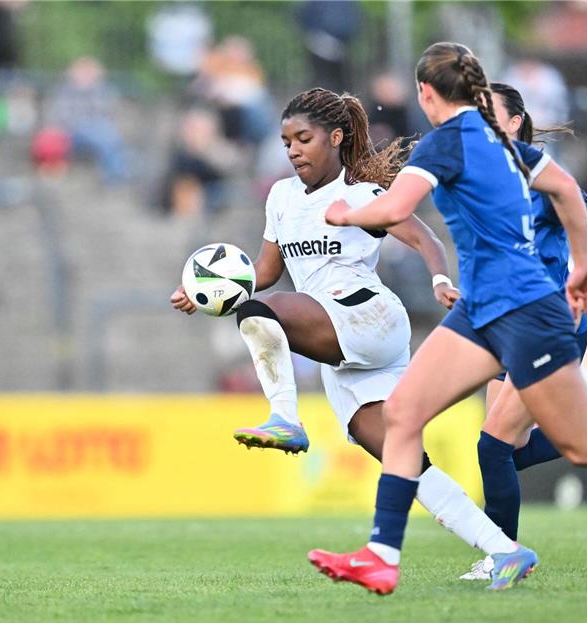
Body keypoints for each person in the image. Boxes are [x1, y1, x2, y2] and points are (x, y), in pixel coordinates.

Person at [308, 42, 587, 596]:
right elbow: (565, 189)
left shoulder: (449, 141)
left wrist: (346, 211)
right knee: (403, 415)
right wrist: (584, 264)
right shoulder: (503, 143)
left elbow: (395, 210)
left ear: (425, 93)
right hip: (482, 311)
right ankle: (381, 555)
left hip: (522, 309)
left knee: (580, 443)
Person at [170, 87, 527, 568]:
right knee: (408, 465)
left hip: (367, 317)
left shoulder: (360, 195)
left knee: (256, 312)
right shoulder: (280, 196)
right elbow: (266, 270)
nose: (293, 149)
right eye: (286, 141)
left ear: (335, 137)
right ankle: (505, 551)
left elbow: (424, 239)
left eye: (304, 138)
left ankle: (286, 419)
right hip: (335, 344)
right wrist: (209, 288)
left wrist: (441, 278)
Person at [458, 82, 587, 582]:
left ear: (514, 123)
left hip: (547, 329)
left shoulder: (546, 177)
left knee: (491, 447)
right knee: (505, 450)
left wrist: (574, 299)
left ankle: (502, 558)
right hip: (506, 329)